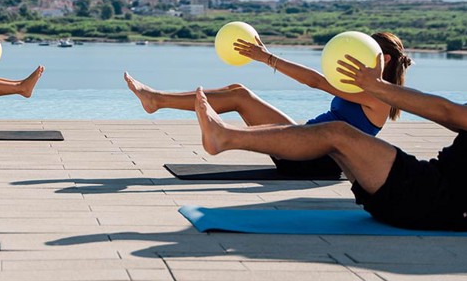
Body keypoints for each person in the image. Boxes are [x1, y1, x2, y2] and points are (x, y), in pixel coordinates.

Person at [191, 51, 467, 231]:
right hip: (427, 189)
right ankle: (223, 134)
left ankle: (225, 137)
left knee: (338, 133)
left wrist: (377, 87)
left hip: (436, 200)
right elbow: (451, 117)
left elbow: (445, 111)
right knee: (335, 133)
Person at [125, 32, 411, 178]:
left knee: (240, 97)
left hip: (314, 162)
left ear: (383, 59)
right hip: (305, 147)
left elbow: (316, 81)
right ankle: (156, 99)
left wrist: (267, 58)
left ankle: (159, 101)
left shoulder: (380, 97)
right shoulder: (368, 90)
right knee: (238, 91)